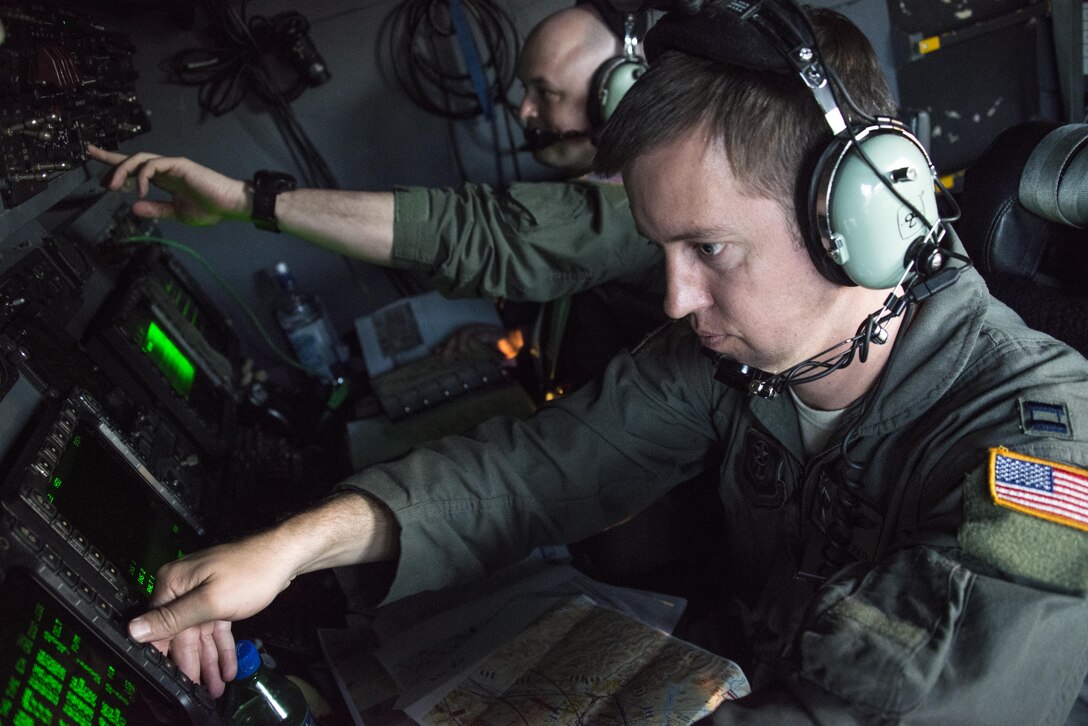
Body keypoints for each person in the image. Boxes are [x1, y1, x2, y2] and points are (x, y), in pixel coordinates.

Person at [115, 2, 1088, 721]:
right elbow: (532, 474)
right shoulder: (736, 357)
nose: (673, 298)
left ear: (859, 223)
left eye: (708, 251)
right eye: (663, 250)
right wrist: (290, 548)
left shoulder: (1053, 462)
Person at [89, 3, 664, 396]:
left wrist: (249, 201)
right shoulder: (608, 184)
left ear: (623, 94)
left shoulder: (643, 203)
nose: (524, 112)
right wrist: (518, 341)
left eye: (545, 93)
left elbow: (484, 235)